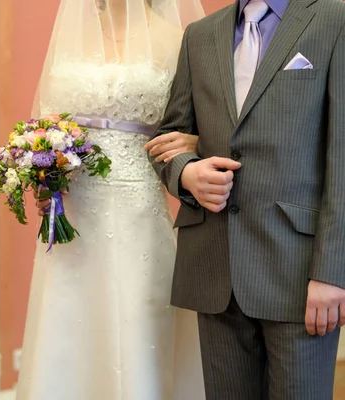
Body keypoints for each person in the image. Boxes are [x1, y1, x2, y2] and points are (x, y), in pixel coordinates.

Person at [147, 0, 345, 398]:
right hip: (214, 265)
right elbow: (169, 135)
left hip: (298, 269)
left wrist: (333, 270)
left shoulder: (334, 18)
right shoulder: (200, 36)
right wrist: (187, 172)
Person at [16, 0, 206, 399]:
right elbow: (45, 122)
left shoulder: (180, 39)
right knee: (70, 319)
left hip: (139, 205)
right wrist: (41, 168)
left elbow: (209, 118)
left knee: (138, 316)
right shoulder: (70, 36)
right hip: (74, 210)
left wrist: (197, 139)